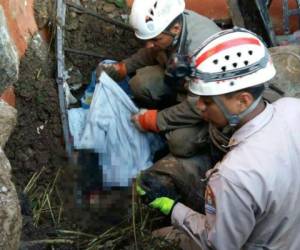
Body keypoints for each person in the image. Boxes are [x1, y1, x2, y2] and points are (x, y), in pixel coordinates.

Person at [137, 28, 300, 249]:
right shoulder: (292, 108)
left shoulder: (234, 175)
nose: (200, 106)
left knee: (158, 238)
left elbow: (218, 244)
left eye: (208, 101)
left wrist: (172, 207)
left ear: (242, 101)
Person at [97, 0, 221, 157]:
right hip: (185, 87)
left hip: (211, 106)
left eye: (154, 39)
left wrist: (155, 120)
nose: (149, 45)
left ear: (175, 29)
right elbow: (153, 50)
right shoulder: (171, 28)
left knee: (179, 142)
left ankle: (205, 150)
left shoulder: (203, 53)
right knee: (140, 84)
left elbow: (198, 106)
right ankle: (169, 110)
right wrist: (125, 67)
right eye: (146, 40)